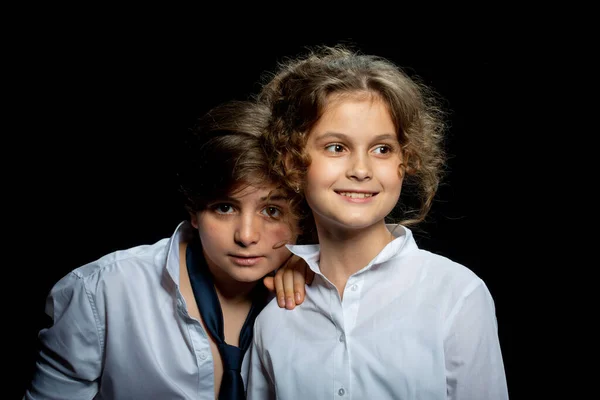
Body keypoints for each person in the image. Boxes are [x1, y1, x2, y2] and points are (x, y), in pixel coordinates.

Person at [247, 45, 509, 399]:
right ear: (293, 162)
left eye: (382, 149)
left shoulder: (456, 295)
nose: (360, 170)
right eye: (336, 147)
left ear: (407, 160)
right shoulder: (274, 318)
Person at [24, 100, 310, 400]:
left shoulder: (320, 292)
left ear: (303, 217)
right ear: (193, 211)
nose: (247, 235)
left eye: (272, 211)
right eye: (224, 207)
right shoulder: (103, 291)